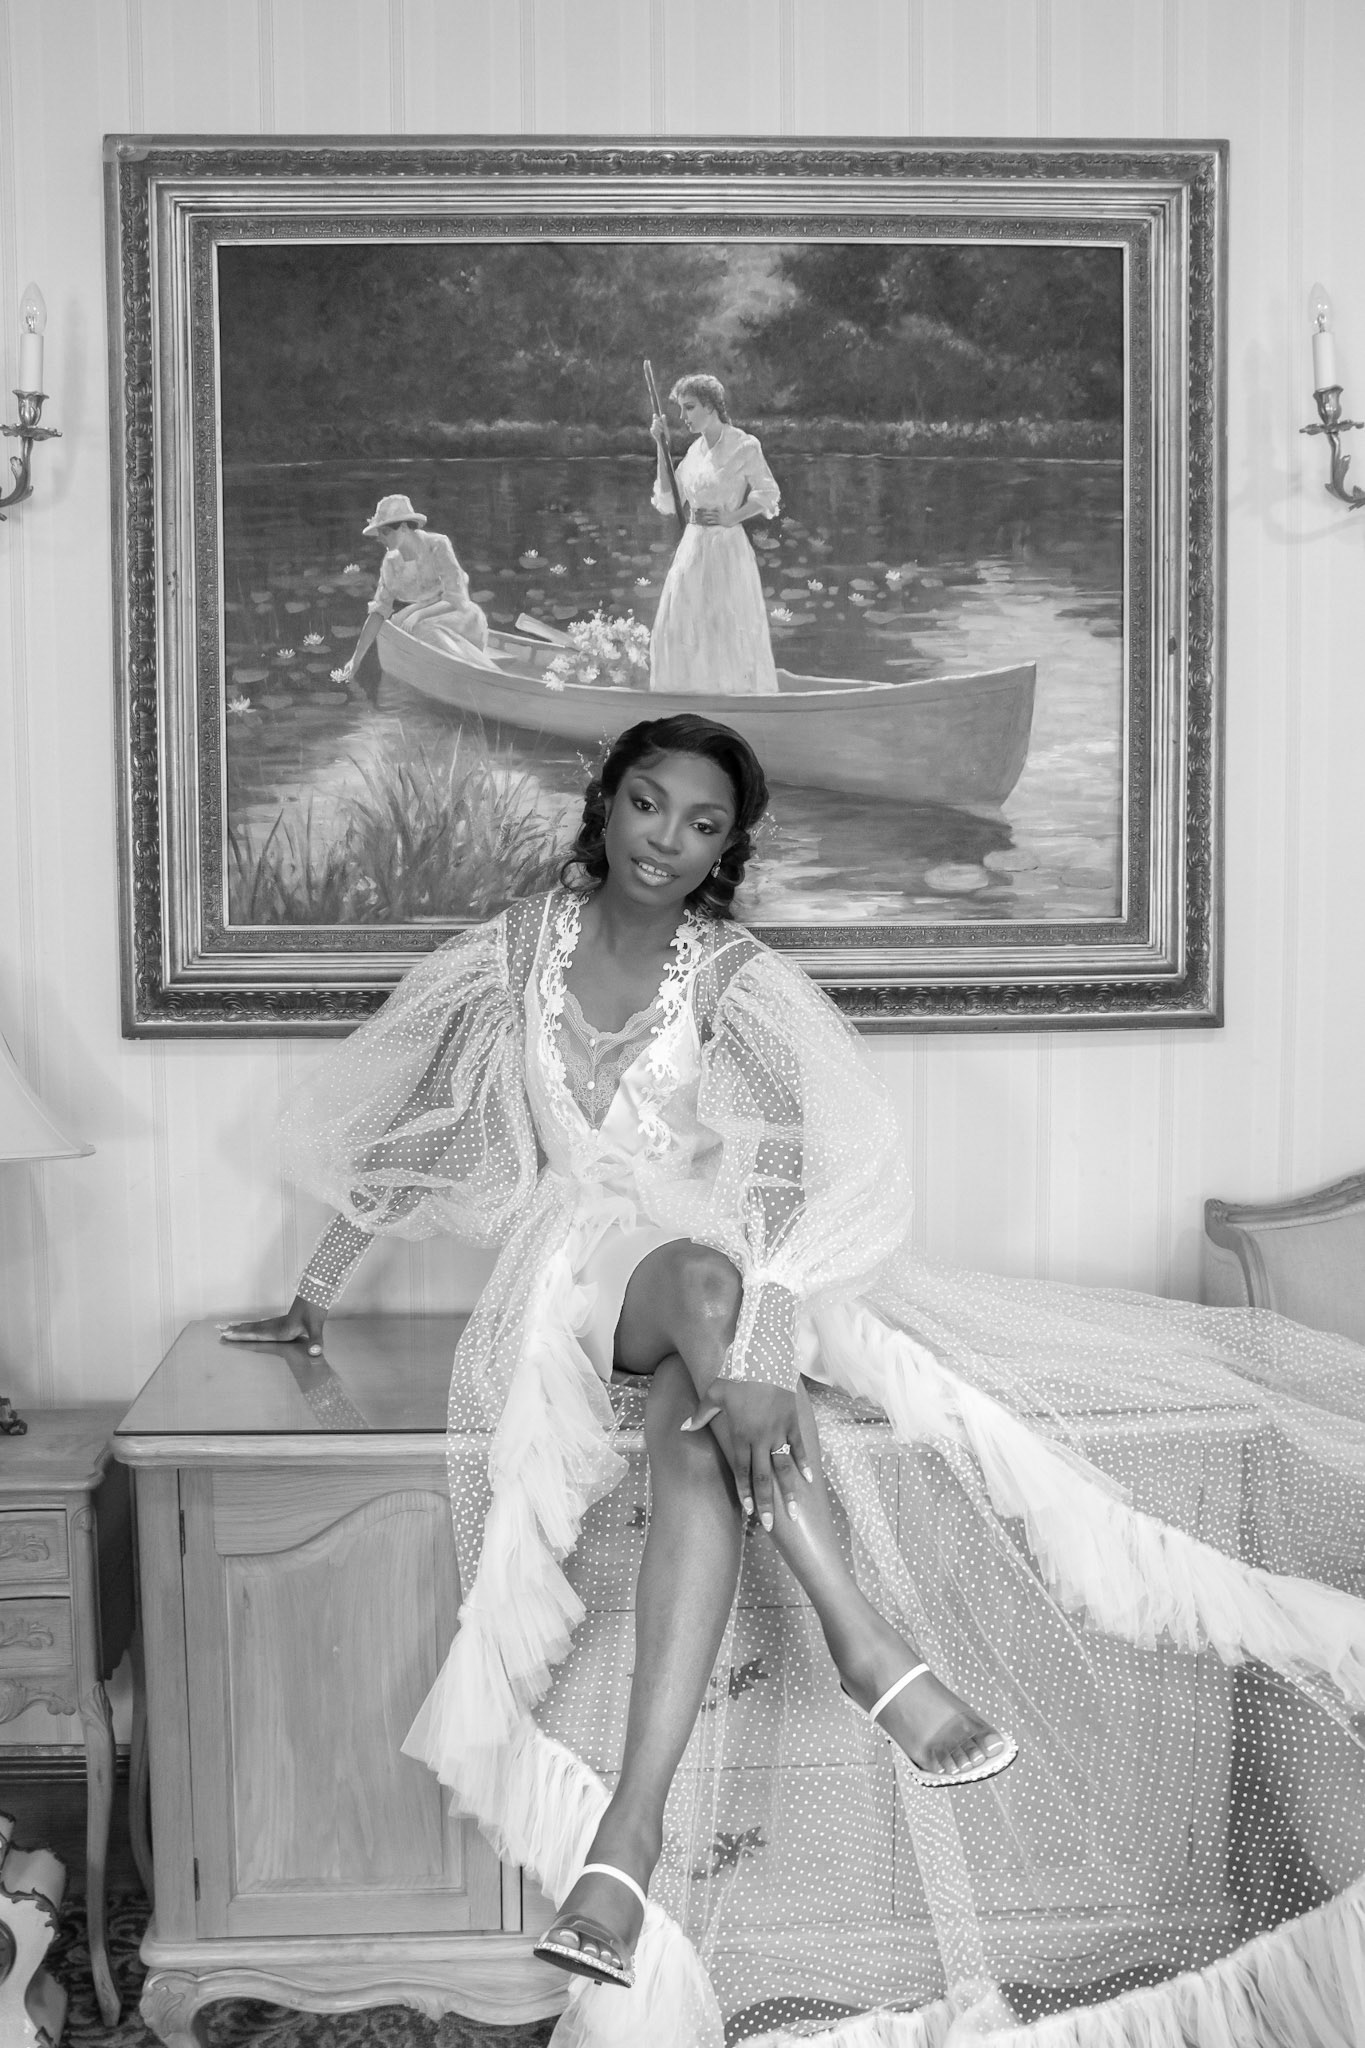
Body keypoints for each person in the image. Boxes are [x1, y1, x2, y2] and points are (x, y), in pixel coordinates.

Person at [222, 716, 1365, 2048]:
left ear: (726, 848)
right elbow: (413, 1126)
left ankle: (627, 1838)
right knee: (705, 1298)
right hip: (579, 1272)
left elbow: (785, 1177)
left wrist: (760, 1352)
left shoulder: (732, 975)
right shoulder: (517, 947)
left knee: (694, 1416)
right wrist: (314, 1292)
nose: (666, 839)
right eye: (648, 804)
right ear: (606, 803)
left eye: (702, 824)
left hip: (714, 1279)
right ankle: (861, 1633)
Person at [649, 376, 781, 696]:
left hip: (727, 549)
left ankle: (733, 699)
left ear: (710, 406)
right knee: (680, 624)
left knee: (726, 624)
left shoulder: (744, 445)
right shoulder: (694, 452)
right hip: (693, 548)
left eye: (689, 407)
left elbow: (768, 493)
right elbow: (668, 500)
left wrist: (732, 517)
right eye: (681, 409)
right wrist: (661, 448)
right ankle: (684, 697)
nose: (683, 417)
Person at [345, 491, 495, 680]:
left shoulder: (437, 545)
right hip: (427, 623)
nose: (380, 538)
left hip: (463, 621)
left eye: (385, 532)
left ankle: (488, 674)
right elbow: (379, 612)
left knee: (420, 628)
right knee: (393, 626)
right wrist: (355, 660)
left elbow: (457, 599)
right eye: (379, 533)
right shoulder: (391, 563)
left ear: (404, 527)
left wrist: (418, 614)